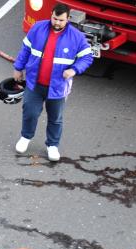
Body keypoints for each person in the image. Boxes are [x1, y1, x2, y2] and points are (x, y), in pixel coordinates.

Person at [12, 2, 93, 162]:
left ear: (68, 19)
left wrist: (74, 69)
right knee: (30, 112)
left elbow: (87, 57)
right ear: (51, 15)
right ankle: (25, 137)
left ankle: (52, 145)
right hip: (34, 84)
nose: (57, 23)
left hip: (58, 88)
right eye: (55, 18)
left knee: (55, 118)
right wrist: (18, 67)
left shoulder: (77, 37)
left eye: (61, 20)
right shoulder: (37, 28)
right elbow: (26, 49)